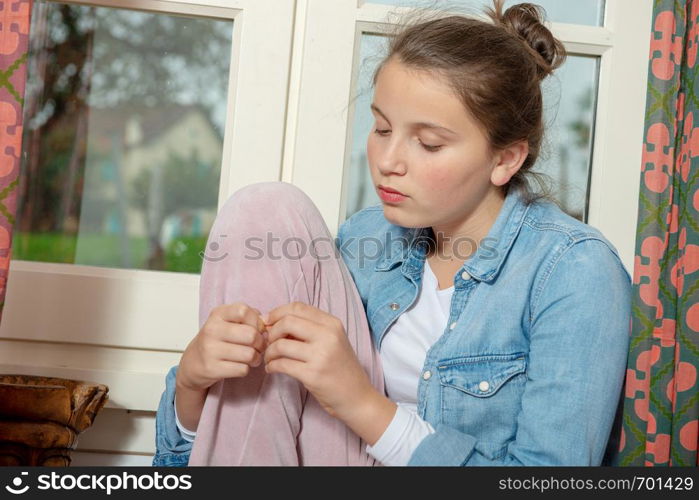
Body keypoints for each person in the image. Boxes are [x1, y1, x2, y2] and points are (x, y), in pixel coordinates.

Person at [152, 0, 632, 466]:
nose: (387, 162)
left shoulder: (574, 271)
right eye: (382, 130)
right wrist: (193, 384)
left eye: (428, 143)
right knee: (268, 207)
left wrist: (360, 402)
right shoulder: (367, 238)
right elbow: (242, 428)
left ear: (505, 159)